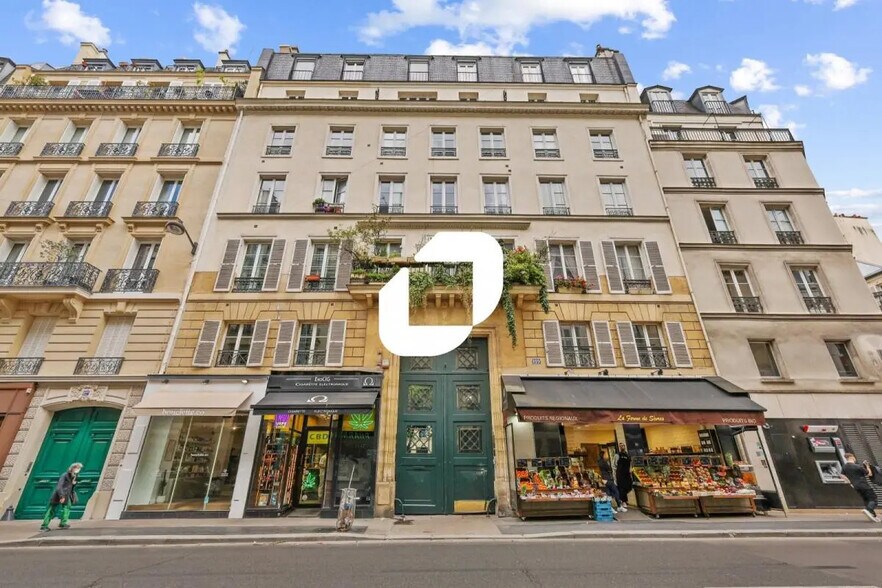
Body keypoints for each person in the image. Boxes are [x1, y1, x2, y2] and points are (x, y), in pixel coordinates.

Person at [39, 462, 81, 532]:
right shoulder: (65, 475)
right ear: (73, 468)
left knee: (67, 508)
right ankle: (44, 526)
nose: (78, 470)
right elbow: (59, 487)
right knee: (52, 510)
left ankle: (63, 523)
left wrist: (74, 484)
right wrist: (62, 496)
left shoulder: (74, 476)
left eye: (79, 468)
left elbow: (70, 487)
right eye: (77, 468)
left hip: (67, 495)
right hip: (58, 495)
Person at [840, 453, 879, 523]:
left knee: (866, 499)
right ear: (852, 457)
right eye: (854, 458)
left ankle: (873, 515)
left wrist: (849, 482)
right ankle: (868, 510)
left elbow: (842, 475)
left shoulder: (845, 467)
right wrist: (867, 466)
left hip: (855, 486)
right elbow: (869, 474)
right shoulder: (857, 466)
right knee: (873, 498)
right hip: (864, 485)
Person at [615, 444, 633, 508]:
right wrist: (615, 474)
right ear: (619, 447)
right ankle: (623, 501)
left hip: (627, 474)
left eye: (623, 446)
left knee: (629, 486)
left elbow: (630, 463)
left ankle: (623, 499)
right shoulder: (617, 455)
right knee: (622, 488)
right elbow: (614, 465)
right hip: (620, 474)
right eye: (620, 446)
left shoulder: (628, 455)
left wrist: (631, 469)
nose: (622, 447)